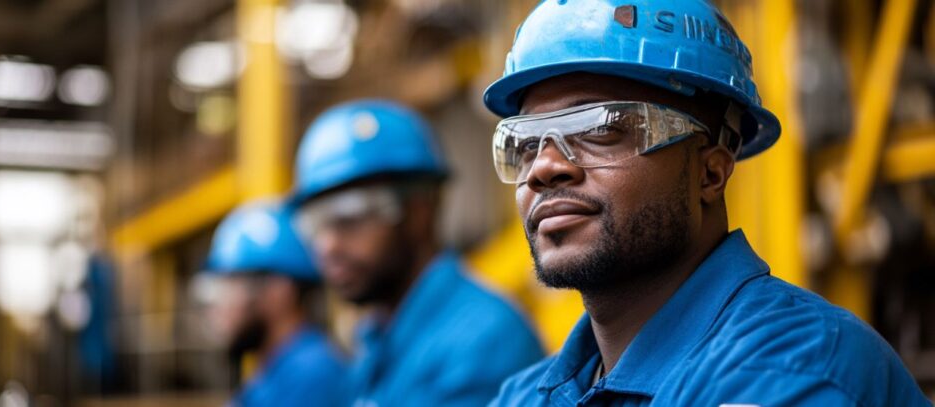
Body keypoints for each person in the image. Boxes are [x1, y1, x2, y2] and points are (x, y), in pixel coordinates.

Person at [481, 0, 930, 405]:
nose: (543, 168)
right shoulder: (525, 396)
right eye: (525, 144)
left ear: (710, 172)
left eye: (601, 129)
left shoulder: (793, 373)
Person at [291, 100, 545, 406]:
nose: (327, 245)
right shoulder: (378, 338)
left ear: (420, 211)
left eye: (349, 216)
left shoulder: (483, 343)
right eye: (315, 223)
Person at [203, 201, 345, 406]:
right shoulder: (273, 372)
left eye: (231, 285)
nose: (216, 305)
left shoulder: (312, 375)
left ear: (279, 290)